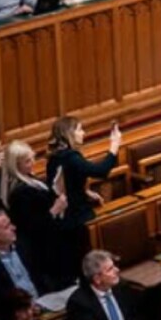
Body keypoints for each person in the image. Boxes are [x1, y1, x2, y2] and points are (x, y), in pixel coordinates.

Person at [46, 116, 121, 283]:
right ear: (69, 133)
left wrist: (83, 191)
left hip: (65, 217)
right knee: (85, 261)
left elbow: (63, 182)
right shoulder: (71, 157)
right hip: (75, 219)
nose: (83, 133)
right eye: (80, 129)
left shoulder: (56, 156)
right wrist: (114, 146)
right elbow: (100, 171)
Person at [0, 140, 67, 288]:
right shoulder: (19, 192)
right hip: (41, 249)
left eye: (32, 158)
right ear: (16, 165)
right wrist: (54, 210)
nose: (33, 163)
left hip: (50, 242)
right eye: (27, 161)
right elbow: (32, 226)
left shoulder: (29, 178)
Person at [66, 250, 148, 320]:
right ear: (97, 279)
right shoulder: (79, 303)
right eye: (110, 269)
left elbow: (132, 315)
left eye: (114, 266)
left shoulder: (121, 286)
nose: (117, 270)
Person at [0, 210, 45, 320]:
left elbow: (41, 276)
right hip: (18, 317)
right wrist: (26, 307)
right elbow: (0, 301)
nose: (14, 228)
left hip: (43, 303)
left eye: (10, 223)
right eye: (7, 227)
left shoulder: (23, 245)